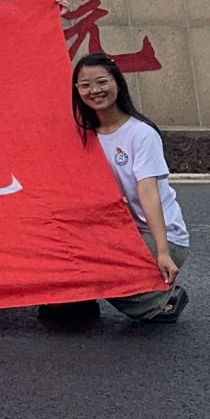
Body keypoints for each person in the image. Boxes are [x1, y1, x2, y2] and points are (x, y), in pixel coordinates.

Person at [45, 53, 190, 326]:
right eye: (85, 85)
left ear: (117, 82)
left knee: (96, 263)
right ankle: (80, 300)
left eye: (102, 81)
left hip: (156, 236)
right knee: (63, 249)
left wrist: (162, 251)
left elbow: (148, 193)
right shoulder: (85, 134)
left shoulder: (141, 134)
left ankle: (159, 302)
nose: (95, 90)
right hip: (114, 232)